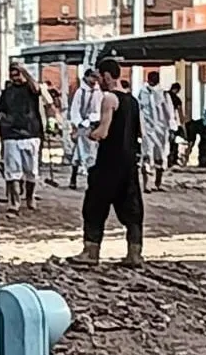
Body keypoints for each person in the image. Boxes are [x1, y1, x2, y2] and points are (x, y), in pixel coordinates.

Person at [71, 56, 143, 269]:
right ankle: (134, 254)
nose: (98, 81)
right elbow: (140, 132)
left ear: (107, 76)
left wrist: (89, 134)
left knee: (94, 206)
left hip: (109, 162)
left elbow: (103, 132)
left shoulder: (109, 99)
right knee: (132, 209)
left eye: (100, 77)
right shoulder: (133, 101)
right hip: (129, 162)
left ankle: (91, 252)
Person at [0, 62, 44, 211]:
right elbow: (0, 108)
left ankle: (30, 198)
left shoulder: (30, 89)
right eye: (13, 74)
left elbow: (36, 88)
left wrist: (25, 71)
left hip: (30, 134)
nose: (15, 77)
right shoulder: (7, 91)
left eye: (18, 74)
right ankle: (14, 203)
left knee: (31, 171)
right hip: (11, 135)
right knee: (12, 171)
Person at [137, 71, 173, 192]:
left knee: (160, 155)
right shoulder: (143, 93)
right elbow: (139, 110)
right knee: (147, 154)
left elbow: (169, 112)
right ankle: (146, 185)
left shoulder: (163, 94)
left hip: (161, 129)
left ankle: (158, 183)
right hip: (147, 128)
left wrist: (171, 128)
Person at [67, 69, 102, 189]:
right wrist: (78, 124)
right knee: (79, 152)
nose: (94, 80)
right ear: (86, 77)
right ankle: (73, 177)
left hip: (92, 124)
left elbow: (98, 109)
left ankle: (91, 180)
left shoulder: (98, 92)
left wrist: (93, 121)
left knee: (92, 153)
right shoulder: (80, 92)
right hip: (81, 125)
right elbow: (75, 109)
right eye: (92, 77)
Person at [167, 82, 186, 167]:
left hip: (162, 123)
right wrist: (182, 124)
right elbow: (180, 112)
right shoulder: (177, 99)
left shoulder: (164, 95)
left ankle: (166, 159)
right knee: (173, 142)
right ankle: (172, 159)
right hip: (172, 123)